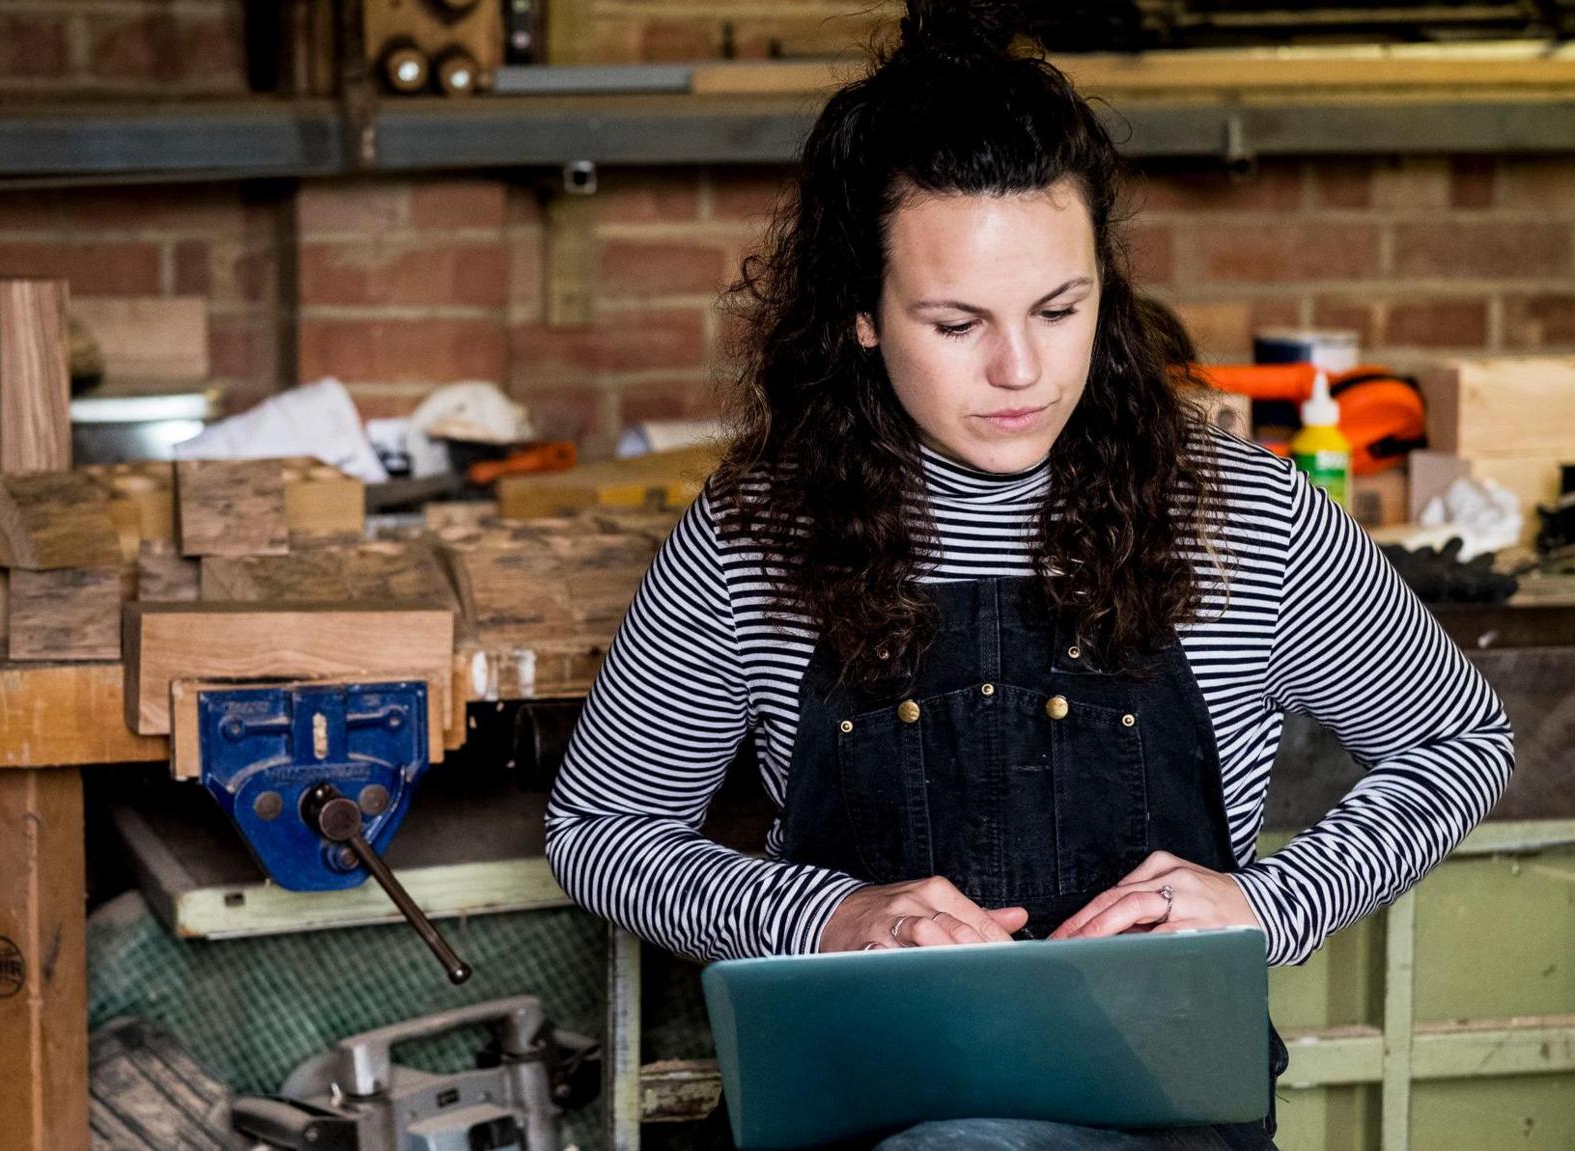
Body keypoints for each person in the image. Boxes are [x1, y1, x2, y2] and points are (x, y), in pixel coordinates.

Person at [542, 1, 1516, 1147]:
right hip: (859, 1094)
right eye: (955, 322)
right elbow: (599, 826)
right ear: (859, 315)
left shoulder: (1236, 512)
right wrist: (826, 914)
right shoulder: (757, 530)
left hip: (1155, 1101)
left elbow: (1461, 743)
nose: (1018, 370)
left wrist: (1267, 902)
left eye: (1058, 309)